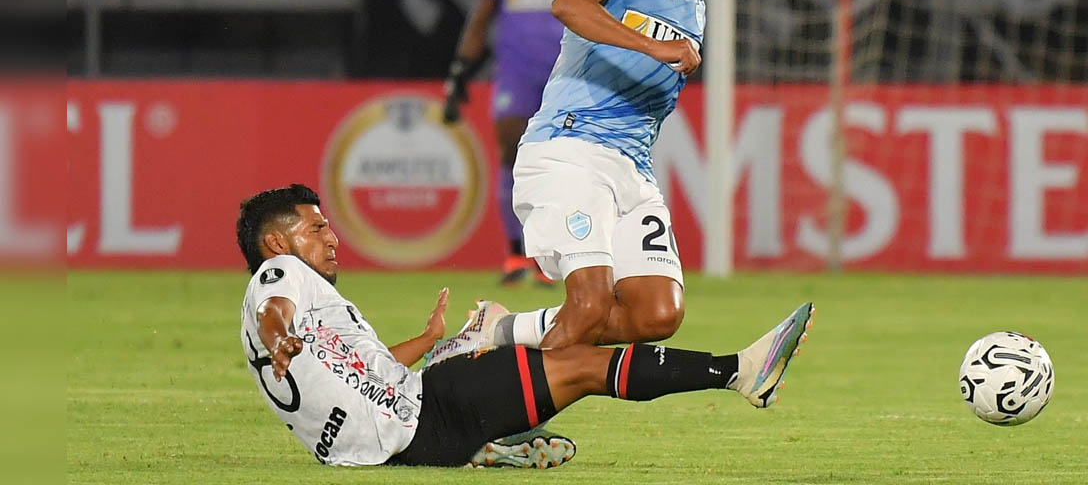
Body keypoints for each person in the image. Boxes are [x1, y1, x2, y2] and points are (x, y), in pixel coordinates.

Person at [237, 184, 813, 468]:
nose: (333, 237)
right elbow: (274, 313)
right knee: (583, 363)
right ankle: (738, 372)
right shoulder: (278, 278)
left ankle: (491, 429)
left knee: (535, 360)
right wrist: (279, 335)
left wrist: (426, 341)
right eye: (317, 230)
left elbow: (361, 370)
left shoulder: (300, 299)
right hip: (423, 419)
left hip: (401, 431)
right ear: (278, 243)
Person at [428, 0, 740, 363]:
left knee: (657, 313)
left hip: (633, 170)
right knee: (591, 304)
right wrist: (652, 46)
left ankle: (500, 331)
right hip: (571, 150)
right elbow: (568, 4)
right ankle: (504, 426)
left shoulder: (694, 3)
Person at [443, 0, 590, 286]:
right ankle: (514, 254)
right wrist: (459, 72)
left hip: (565, 74)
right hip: (516, 74)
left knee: (564, 163)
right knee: (511, 153)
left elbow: (594, 16)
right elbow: (481, 17)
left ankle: (552, 255)